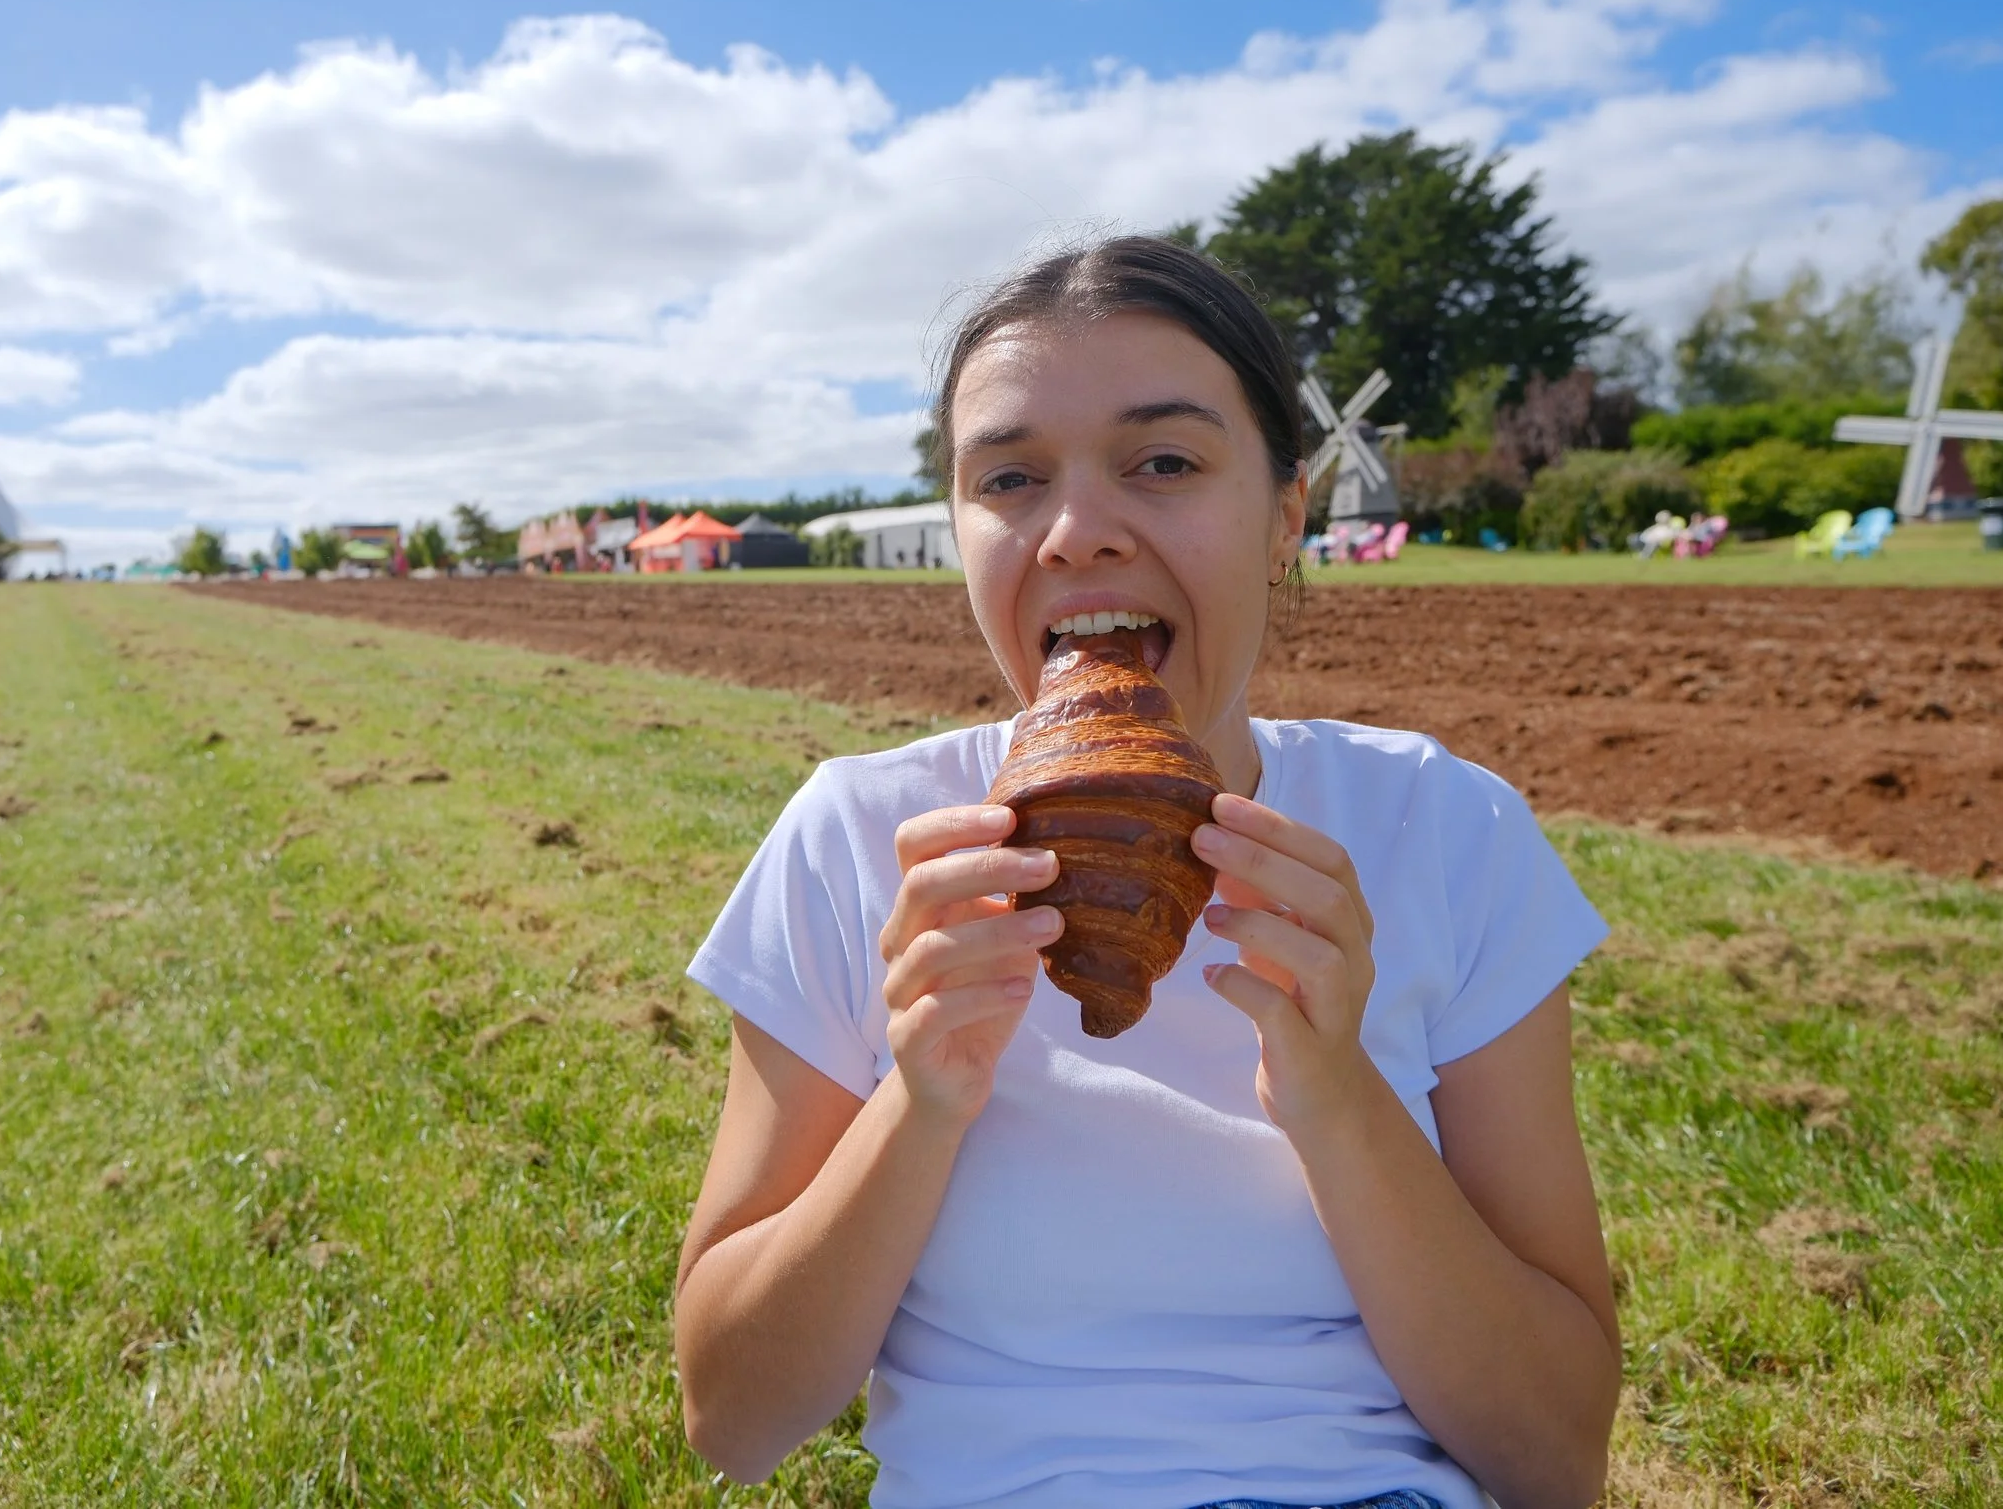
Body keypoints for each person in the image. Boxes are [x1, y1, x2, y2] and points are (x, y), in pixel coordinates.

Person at [673, 237, 1620, 1509]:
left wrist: (1335, 1094)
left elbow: (1553, 1453)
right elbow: (730, 1416)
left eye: (1162, 461)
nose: (1074, 533)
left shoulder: (1442, 829)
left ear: (1287, 512)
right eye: (1008, 477)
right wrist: (922, 1097)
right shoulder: (860, 841)